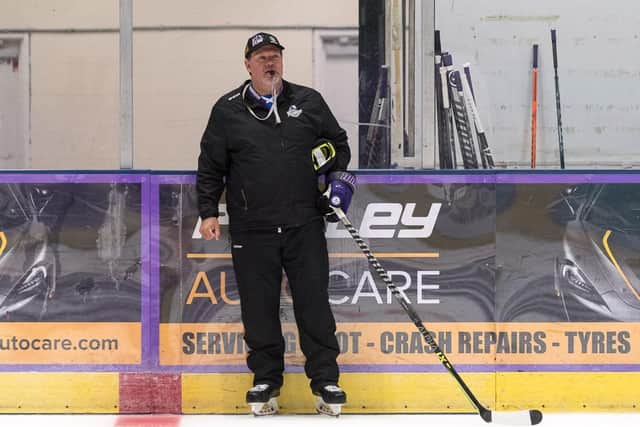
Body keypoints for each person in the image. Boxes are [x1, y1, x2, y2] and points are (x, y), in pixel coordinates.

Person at [196, 32, 356, 416]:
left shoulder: (308, 102)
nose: (271, 63)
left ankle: (325, 380)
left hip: (303, 224)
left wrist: (335, 180)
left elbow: (339, 145)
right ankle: (266, 379)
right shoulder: (227, 110)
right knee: (258, 307)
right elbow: (210, 167)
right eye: (263, 57)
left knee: (314, 304)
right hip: (253, 229)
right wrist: (208, 212)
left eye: (276, 56)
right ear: (248, 64)